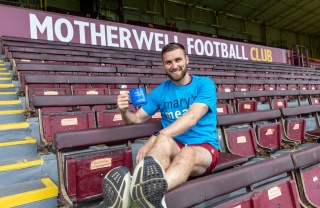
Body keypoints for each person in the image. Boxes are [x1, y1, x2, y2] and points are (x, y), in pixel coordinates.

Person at [99, 42, 219, 208]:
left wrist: (156, 135)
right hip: (174, 145)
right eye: (168, 62)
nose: (174, 66)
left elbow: (192, 117)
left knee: (186, 152)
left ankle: (138, 196)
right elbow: (136, 119)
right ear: (163, 65)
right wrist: (124, 111)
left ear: (187, 60)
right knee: (163, 142)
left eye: (178, 60)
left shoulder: (204, 84)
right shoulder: (160, 91)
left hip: (204, 147)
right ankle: (147, 198)